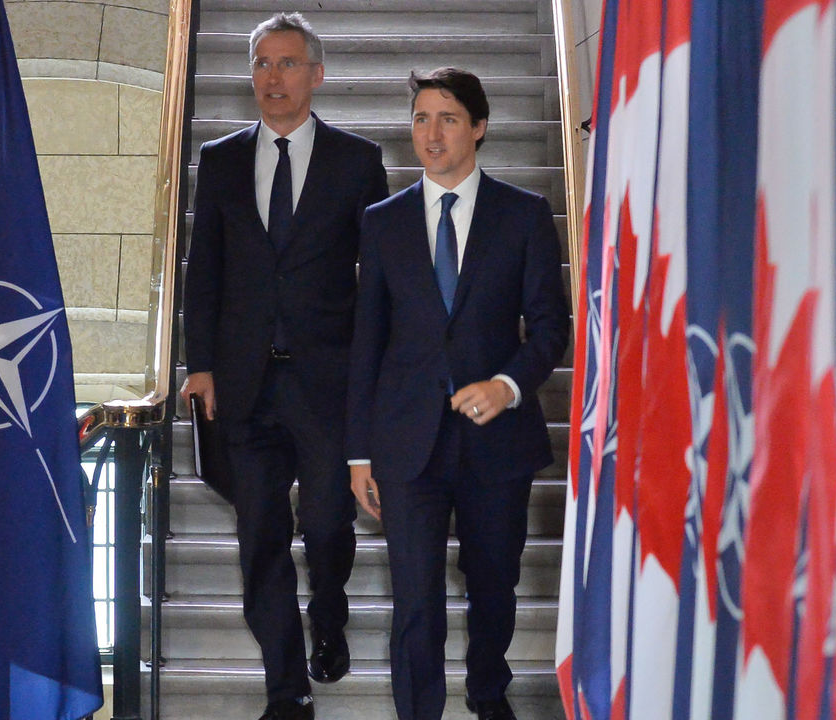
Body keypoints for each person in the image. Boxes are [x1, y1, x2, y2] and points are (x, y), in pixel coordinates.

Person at [180, 12, 389, 720]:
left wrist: (379, 372)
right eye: (262, 63)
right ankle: (287, 686)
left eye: (288, 63)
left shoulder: (358, 162)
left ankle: (328, 610)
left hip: (327, 382)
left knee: (328, 521)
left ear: (317, 75)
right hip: (242, 383)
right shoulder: (222, 160)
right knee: (260, 533)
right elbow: (203, 267)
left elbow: (380, 279)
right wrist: (200, 361)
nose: (273, 77)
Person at [345, 68, 569, 720]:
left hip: (497, 443)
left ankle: (487, 696)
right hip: (404, 442)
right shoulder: (381, 223)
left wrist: (506, 386)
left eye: (446, 117)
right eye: (420, 118)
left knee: (494, 586)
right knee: (415, 598)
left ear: (478, 126)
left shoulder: (523, 214)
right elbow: (368, 343)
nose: (431, 132)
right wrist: (359, 453)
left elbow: (552, 326)